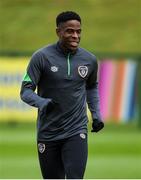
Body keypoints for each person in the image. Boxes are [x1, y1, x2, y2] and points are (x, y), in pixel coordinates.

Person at [20, 11, 104, 179]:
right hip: (48, 132)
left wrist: (96, 114)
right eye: (70, 31)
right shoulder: (41, 57)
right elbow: (26, 91)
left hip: (76, 129)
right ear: (58, 32)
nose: (75, 36)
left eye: (78, 31)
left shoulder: (89, 60)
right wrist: (41, 102)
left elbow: (91, 87)